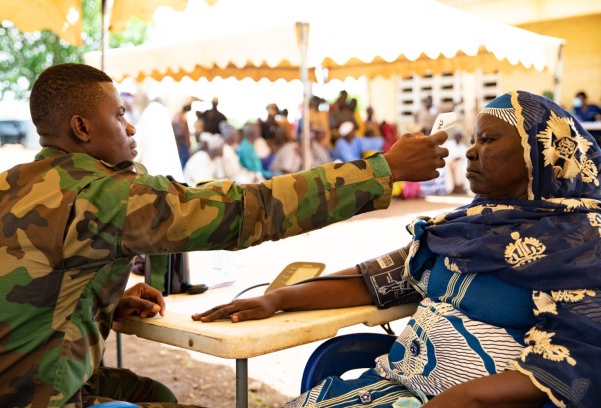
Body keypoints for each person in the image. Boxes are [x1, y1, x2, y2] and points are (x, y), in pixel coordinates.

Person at [0, 63, 449, 407]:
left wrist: (99, 296)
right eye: (119, 115)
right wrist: (382, 170)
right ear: (82, 127)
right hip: (22, 394)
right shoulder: (102, 195)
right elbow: (245, 211)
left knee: (154, 394)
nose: (130, 128)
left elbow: (12, 279)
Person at [192, 90, 601, 408]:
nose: (471, 150)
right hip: (391, 390)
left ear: (544, 154)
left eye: (489, 139)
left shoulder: (582, 244)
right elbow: (376, 280)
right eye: (473, 139)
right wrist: (277, 299)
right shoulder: (467, 226)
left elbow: (570, 362)